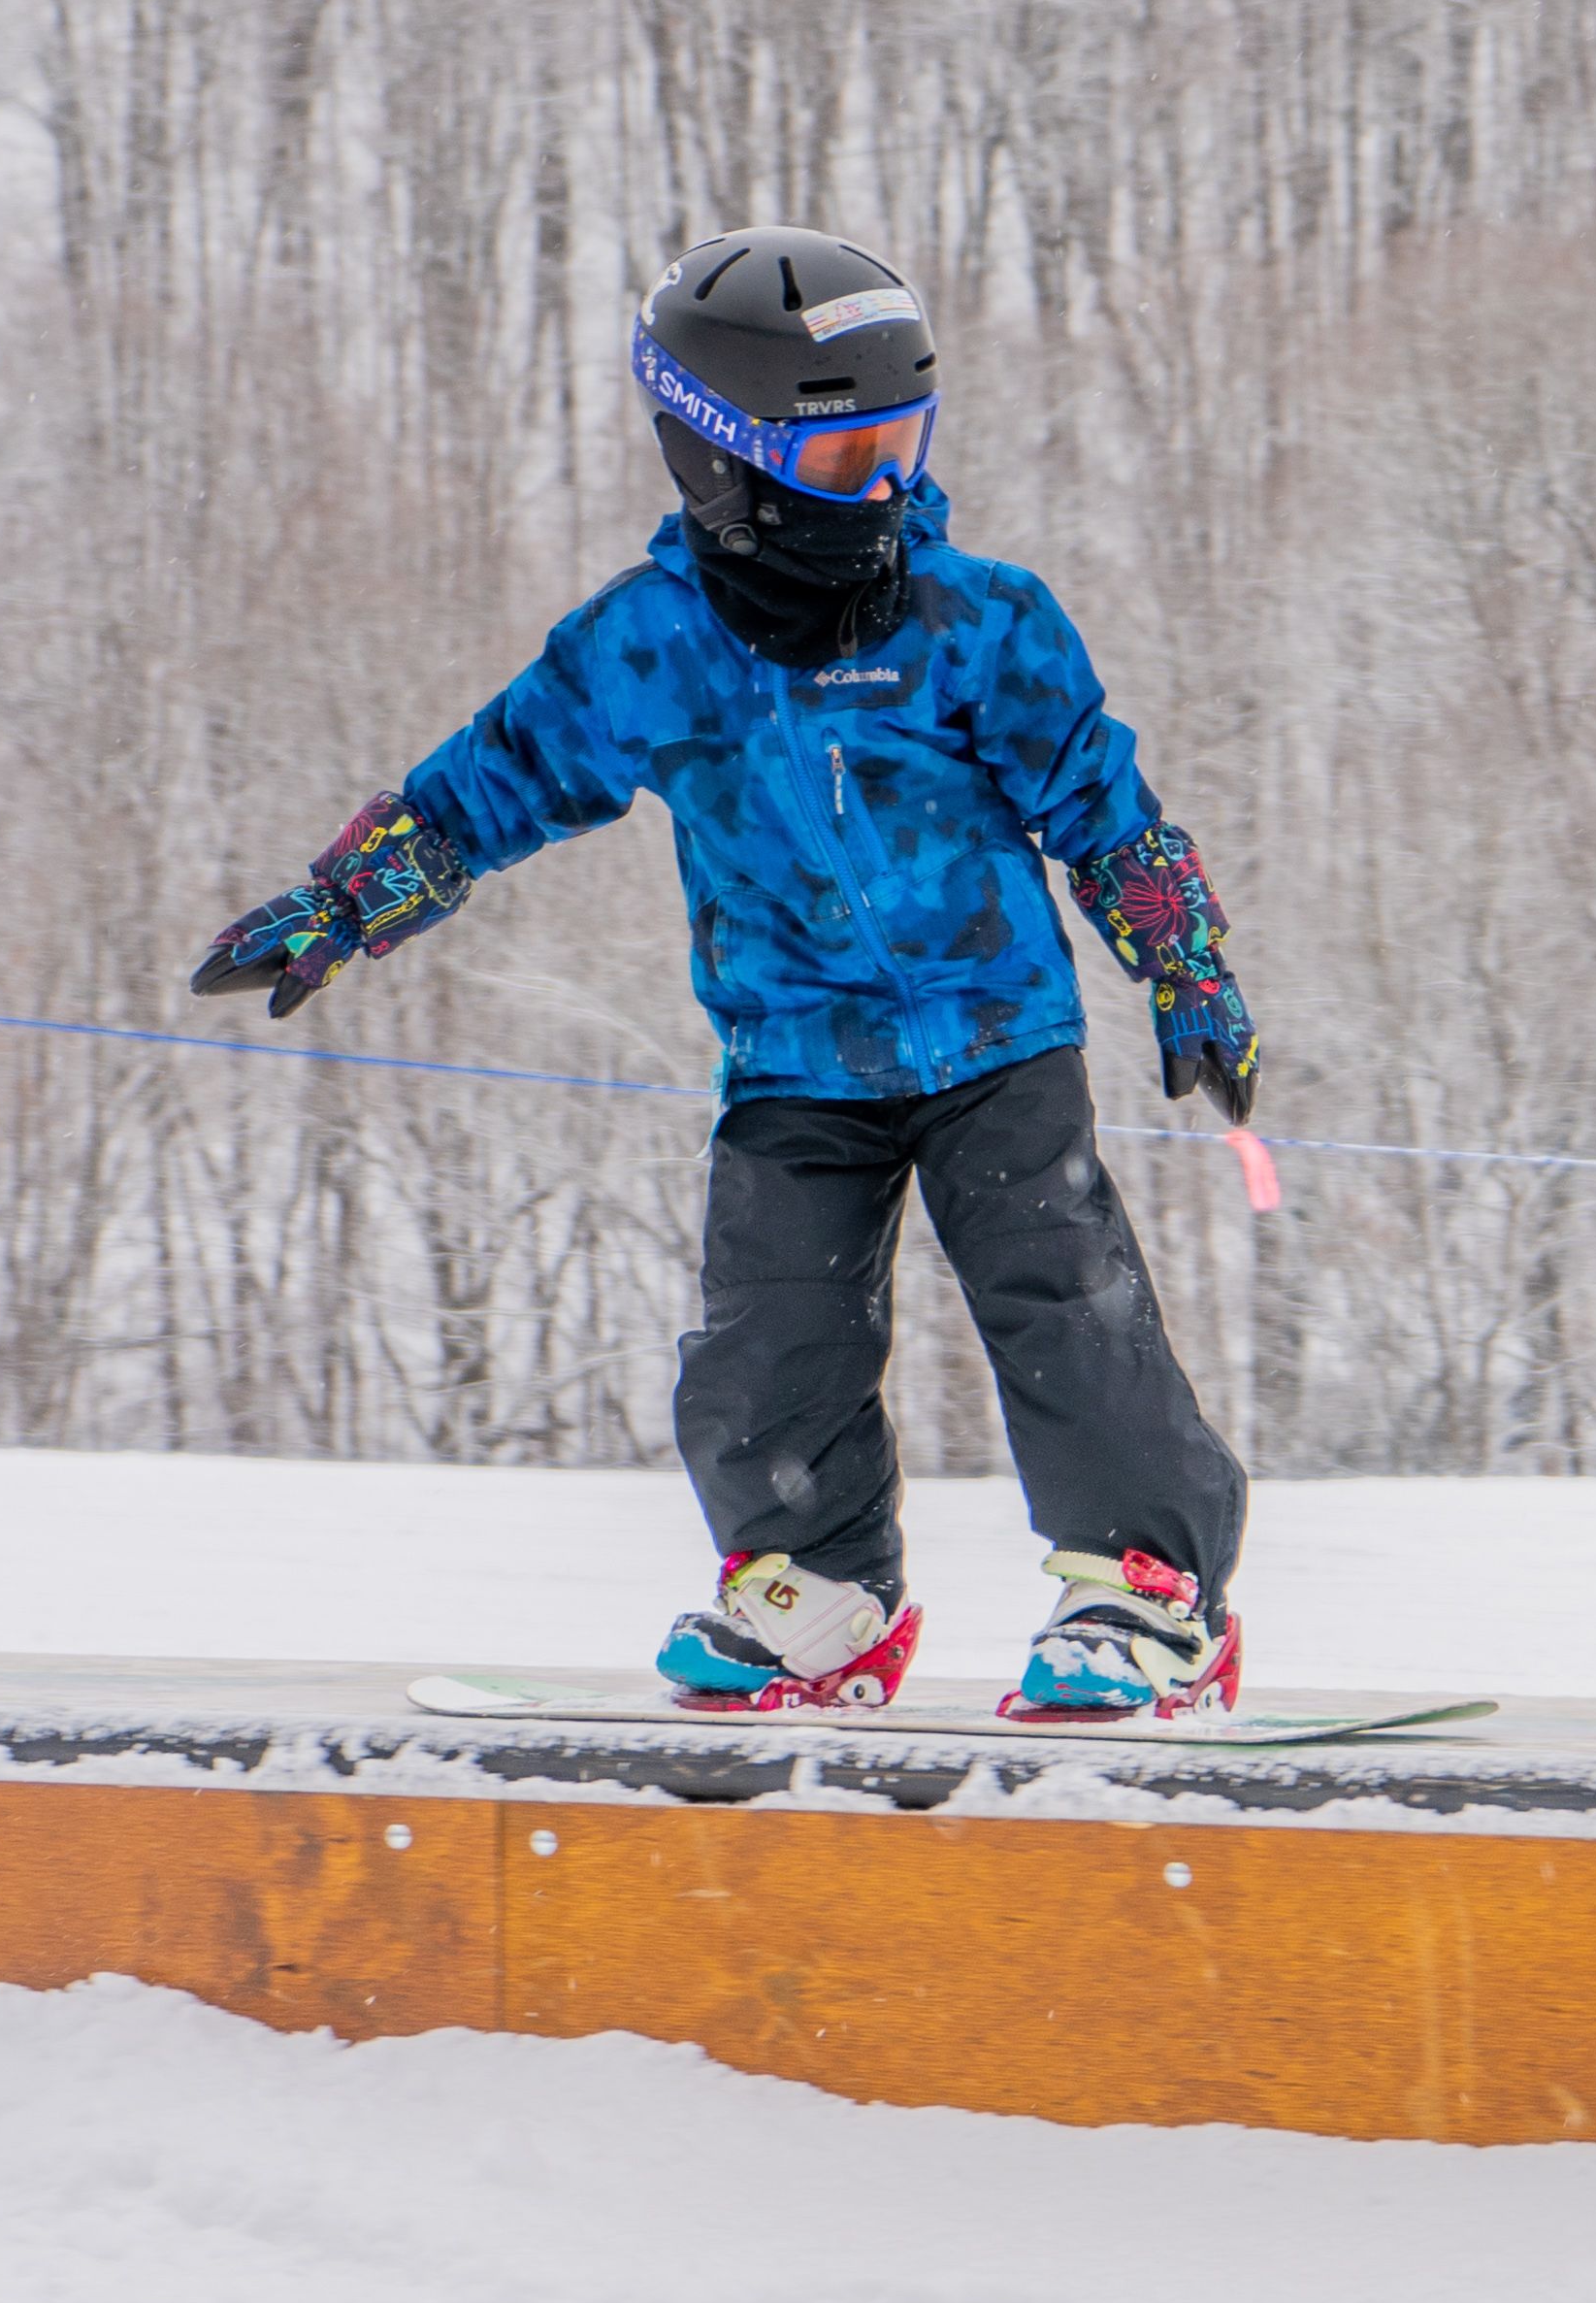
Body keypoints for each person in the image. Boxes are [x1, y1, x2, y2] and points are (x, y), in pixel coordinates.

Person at [186, 228, 1262, 1726]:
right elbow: (486, 787)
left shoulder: (984, 623)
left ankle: (1148, 1591)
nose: (885, 489)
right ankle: (817, 1588)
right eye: (841, 462)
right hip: (791, 1058)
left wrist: (1186, 967)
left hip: (996, 1037)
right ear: (721, 464)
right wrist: (340, 904)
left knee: (1065, 1303)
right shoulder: (650, 649)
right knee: (769, 1333)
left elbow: (1106, 808)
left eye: (904, 445)